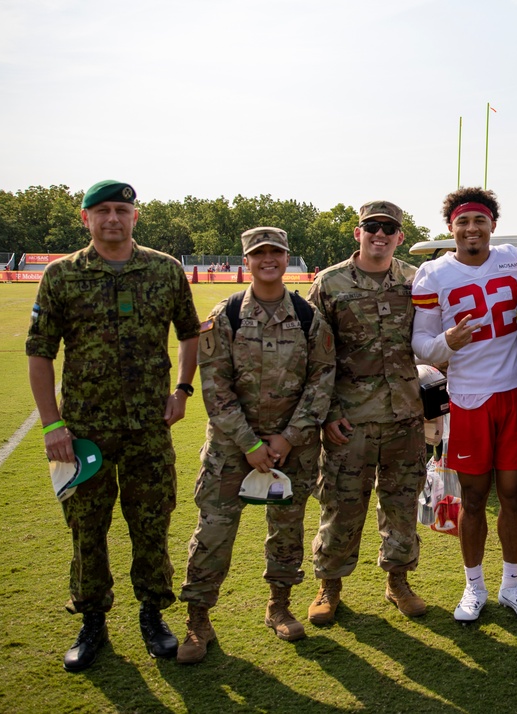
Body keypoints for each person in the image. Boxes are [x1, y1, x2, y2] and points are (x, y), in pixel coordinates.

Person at [26, 180, 201, 672]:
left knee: (151, 523)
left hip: (149, 425)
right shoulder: (61, 276)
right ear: (86, 218)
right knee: (87, 527)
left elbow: (190, 334)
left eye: (121, 210)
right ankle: (92, 621)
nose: (112, 219)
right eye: (101, 210)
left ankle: (152, 615)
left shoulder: (164, 269)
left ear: (135, 217)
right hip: (84, 430)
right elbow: (40, 352)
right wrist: (50, 426)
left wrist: (183, 389)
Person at [177, 227, 335, 664]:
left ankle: (278, 606)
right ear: (246, 260)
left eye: (276, 252)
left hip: (292, 447)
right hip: (232, 448)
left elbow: (322, 382)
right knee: (212, 533)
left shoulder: (307, 317)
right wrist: (249, 443)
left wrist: (288, 437)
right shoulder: (224, 315)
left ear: (287, 258)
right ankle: (198, 619)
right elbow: (215, 387)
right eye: (259, 253)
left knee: (286, 531)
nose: (268, 259)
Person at [412, 187, 517, 622]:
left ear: (492, 226)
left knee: (512, 495)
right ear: (451, 228)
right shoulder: (433, 274)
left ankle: (512, 585)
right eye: (463, 222)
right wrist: (446, 342)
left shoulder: (513, 259)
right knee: (472, 496)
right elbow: (420, 344)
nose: (471, 229)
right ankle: (474, 587)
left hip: (515, 390)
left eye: (479, 220)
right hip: (468, 398)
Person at [307, 201, 428, 624]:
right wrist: (327, 413)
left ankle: (398, 583)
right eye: (371, 226)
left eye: (389, 228)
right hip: (349, 420)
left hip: (405, 417)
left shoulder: (417, 282)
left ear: (400, 236)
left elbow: (431, 343)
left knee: (401, 504)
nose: (380, 234)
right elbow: (315, 356)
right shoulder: (330, 282)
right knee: (341, 505)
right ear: (357, 232)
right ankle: (329, 585)